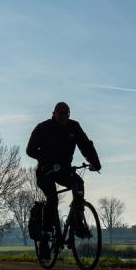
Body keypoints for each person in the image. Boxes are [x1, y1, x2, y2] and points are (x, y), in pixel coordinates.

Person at [26, 102, 101, 255]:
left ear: (69, 114)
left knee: (78, 184)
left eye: (66, 114)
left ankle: (78, 221)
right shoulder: (43, 127)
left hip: (64, 170)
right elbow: (30, 150)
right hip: (45, 171)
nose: (63, 117)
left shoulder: (74, 127)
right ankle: (45, 238)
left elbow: (85, 145)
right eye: (60, 114)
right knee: (52, 199)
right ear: (53, 113)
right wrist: (47, 161)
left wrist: (95, 163)